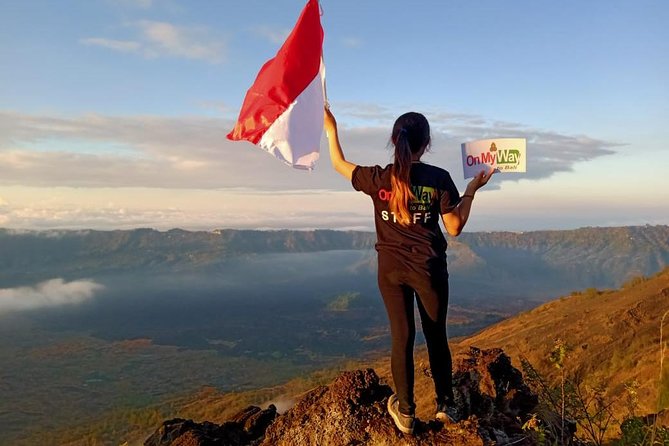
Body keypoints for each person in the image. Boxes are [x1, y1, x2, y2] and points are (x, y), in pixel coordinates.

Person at [323, 106, 494, 435]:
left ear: (393, 139)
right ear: (426, 143)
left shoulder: (378, 178)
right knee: (435, 336)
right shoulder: (438, 179)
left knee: (401, 338)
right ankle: (447, 405)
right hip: (428, 269)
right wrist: (472, 190)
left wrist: (331, 129)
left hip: (389, 271)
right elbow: (455, 227)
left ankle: (405, 413)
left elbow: (337, 164)